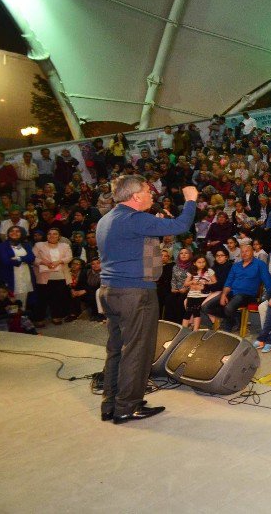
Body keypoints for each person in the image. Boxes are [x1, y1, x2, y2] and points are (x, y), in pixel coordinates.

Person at [97, 175, 198, 424]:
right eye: (148, 191)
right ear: (135, 196)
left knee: (117, 349)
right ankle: (127, 407)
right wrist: (191, 201)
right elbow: (181, 225)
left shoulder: (107, 220)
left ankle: (111, 404)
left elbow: (145, 257)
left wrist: (154, 232)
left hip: (111, 291)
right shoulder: (135, 219)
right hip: (135, 293)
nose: (152, 194)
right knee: (138, 351)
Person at [202, 243, 271, 332]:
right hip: (232, 293)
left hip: (248, 295)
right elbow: (228, 282)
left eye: (247, 251)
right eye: (242, 252)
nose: (244, 253)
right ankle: (235, 317)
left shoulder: (260, 264)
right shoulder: (236, 265)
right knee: (206, 307)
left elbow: (268, 282)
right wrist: (224, 295)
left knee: (228, 307)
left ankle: (228, 325)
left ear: (253, 252)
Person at [32, 228, 72, 325]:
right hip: (44, 275)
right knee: (42, 298)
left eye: (55, 234)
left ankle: (56, 316)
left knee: (57, 298)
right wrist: (43, 262)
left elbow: (69, 257)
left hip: (60, 275)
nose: (52, 236)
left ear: (59, 236)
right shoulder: (39, 245)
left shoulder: (65, 245)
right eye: (49, 234)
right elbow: (33, 258)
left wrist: (59, 261)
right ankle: (39, 319)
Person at [182, 254, 215, 331]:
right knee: (189, 311)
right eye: (199, 262)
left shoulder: (209, 271)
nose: (202, 264)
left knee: (196, 311)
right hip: (192, 294)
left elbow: (214, 282)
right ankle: (183, 330)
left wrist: (206, 283)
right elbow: (185, 283)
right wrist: (192, 282)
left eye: (203, 262)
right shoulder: (191, 272)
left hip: (202, 295)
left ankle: (195, 330)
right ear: (194, 263)